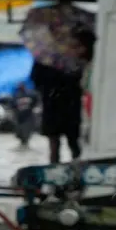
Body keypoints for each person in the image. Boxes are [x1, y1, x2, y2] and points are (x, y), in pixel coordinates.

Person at [32, 27, 93, 164]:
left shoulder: (72, 56)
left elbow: (36, 80)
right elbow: (36, 79)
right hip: (58, 104)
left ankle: (73, 167)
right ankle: (62, 169)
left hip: (64, 103)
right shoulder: (46, 58)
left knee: (70, 143)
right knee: (61, 144)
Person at [11, 83, 41, 147]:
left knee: (27, 132)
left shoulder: (31, 94)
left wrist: (34, 108)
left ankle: (25, 143)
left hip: (28, 116)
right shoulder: (16, 95)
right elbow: (12, 105)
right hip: (19, 116)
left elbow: (36, 101)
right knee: (19, 133)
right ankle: (23, 143)